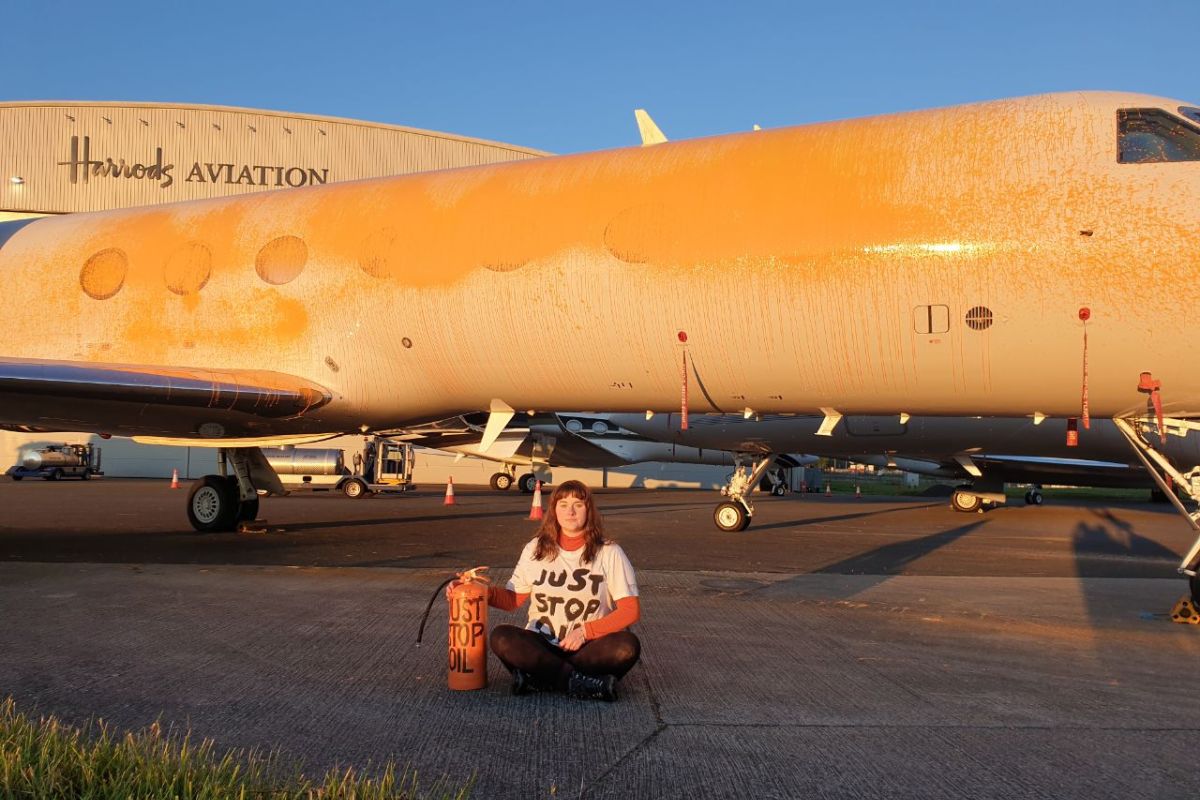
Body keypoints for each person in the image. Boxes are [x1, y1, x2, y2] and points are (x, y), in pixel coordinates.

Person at [486, 479, 640, 701]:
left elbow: (629, 611)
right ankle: (578, 682)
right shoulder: (535, 548)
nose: (570, 511)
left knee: (626, 646)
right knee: (502, 637)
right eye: (563, 504)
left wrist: (585, 631)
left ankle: (539, 678)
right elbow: (512, 599)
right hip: (543, 644)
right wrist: (479, 591)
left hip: (588, 648)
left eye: (578, 504)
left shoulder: (609, 552)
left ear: (589, 510)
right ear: (554, 511)